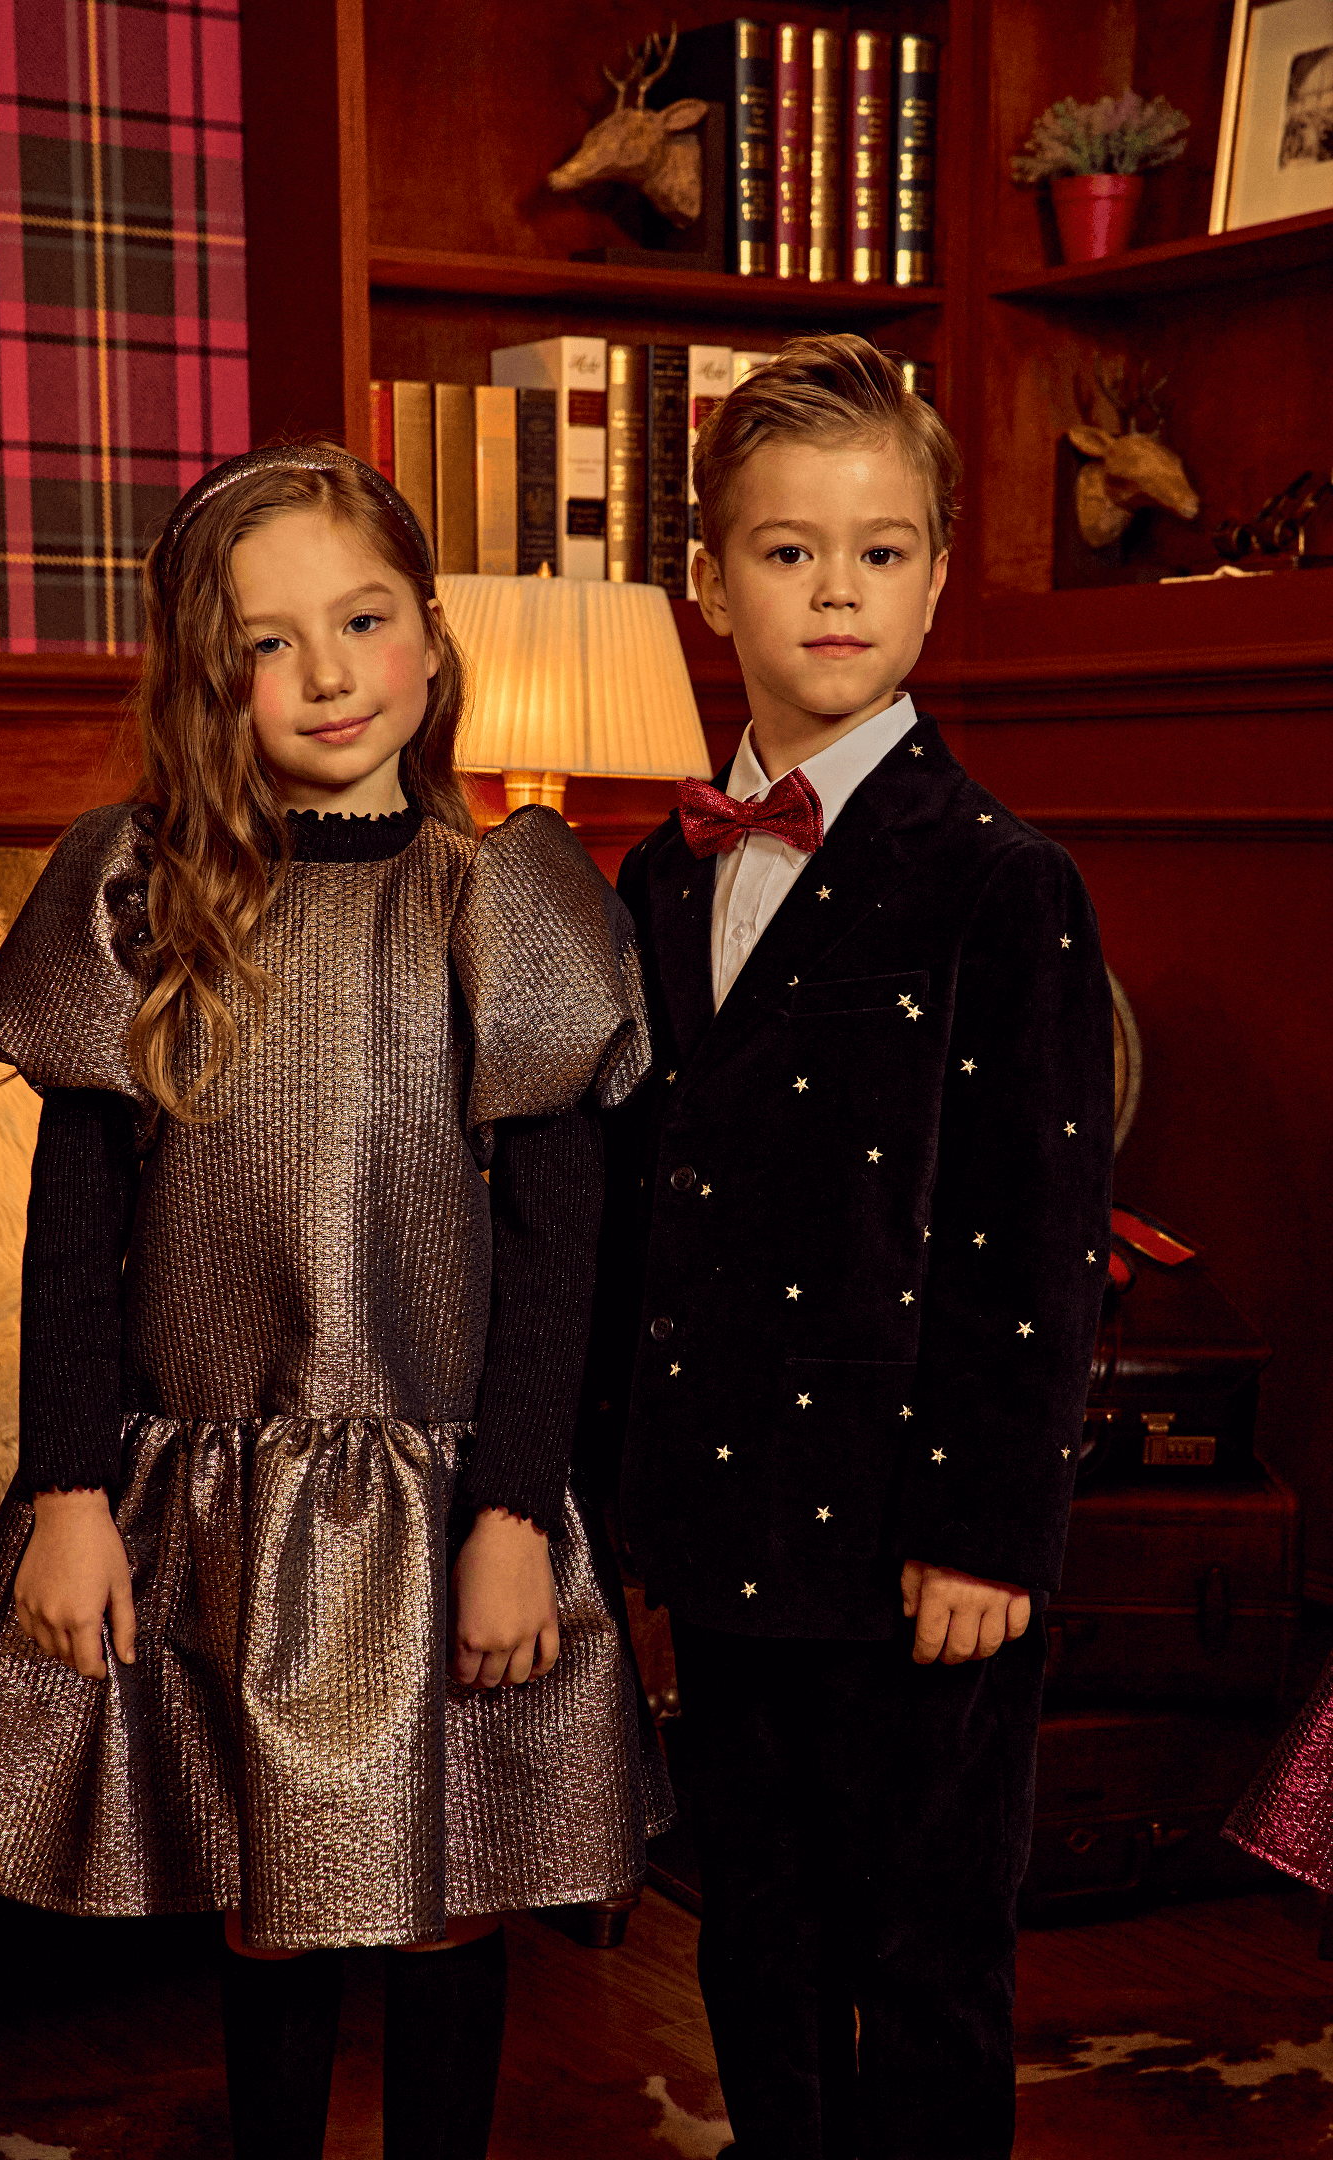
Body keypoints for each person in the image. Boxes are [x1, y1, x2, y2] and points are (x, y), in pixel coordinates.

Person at [0, 443, 671, 2160]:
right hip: (222, 1495)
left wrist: (513, 1515)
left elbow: (560, 1251)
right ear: (209, 676)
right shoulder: (142, 891)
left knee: (446, 1890)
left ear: (427, 635)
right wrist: (73, 1489)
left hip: (446, 1495)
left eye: (362, 619)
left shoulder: (509, 901)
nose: (326, 674)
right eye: (268, 642)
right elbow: (77, 1215)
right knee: (272, 1886)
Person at [591, 337, 1115, 2159]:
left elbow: (1037, 1240)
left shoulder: (1002, 880)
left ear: (939, 577)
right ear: (708, 584)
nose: (835, 589)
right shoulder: (657, 880)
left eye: (880, 552)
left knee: (924, 1944)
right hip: (732, 1516)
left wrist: (990, 1532)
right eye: (790, 550)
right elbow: (642, 1204)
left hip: (918, 1530)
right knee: (759, 1926)